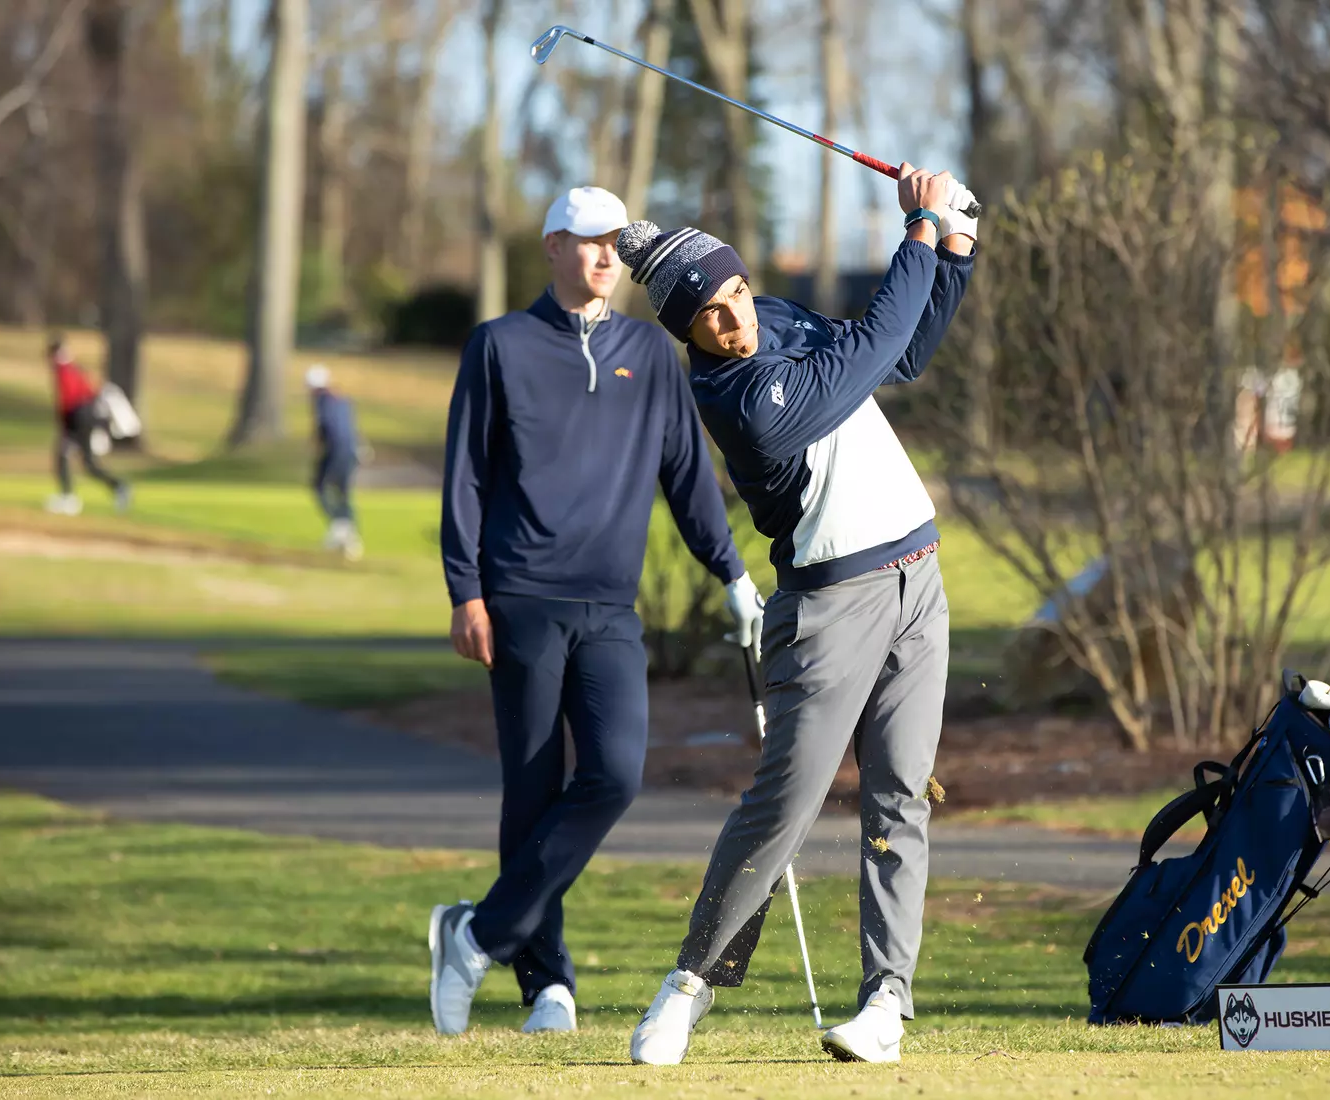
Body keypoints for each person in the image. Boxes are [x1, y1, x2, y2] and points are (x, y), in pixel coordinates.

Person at [616, 164, 977, 1066]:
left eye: (737, 294)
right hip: (828, 607)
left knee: (901, 797)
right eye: (713, 315)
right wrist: (920, 233)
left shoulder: (771, 316)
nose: (737, 320)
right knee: (784, 807)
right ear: (686, 332)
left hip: (918, 582)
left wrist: (958, 246)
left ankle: (886, 1003)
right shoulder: (734, 401)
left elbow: (904, 349)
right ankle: (691, 985)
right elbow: (866, 350)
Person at [428, 185, 766, 1038]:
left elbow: (686, 473)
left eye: (615, 242)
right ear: (550, 246)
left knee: (614, 773)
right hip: (520, 598)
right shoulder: (498, 346)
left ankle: (476, 934)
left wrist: (729, 573)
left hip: (611, 606)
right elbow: (464, 477)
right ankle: (547, 986)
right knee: (533, 790)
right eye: (586, 242)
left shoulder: (652, 354)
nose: (605, 256)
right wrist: (464, 591)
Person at [46, 336, 129, 515]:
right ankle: (117, 486)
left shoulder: (64, 370)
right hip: (85, 419)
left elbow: (69, 401)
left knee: (65, 456)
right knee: (86, 463)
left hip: (80, 420)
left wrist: (67, 426)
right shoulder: (73, 368)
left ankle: (69, 499)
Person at [305, 365, 363, 561]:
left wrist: (318, 445)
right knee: (344, 493)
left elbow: (326, 427)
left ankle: (340, 527)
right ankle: (349, 538)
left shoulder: (322, 400)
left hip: (336, 451)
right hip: (352, 450)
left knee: (320, 487)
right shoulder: (342, 399)